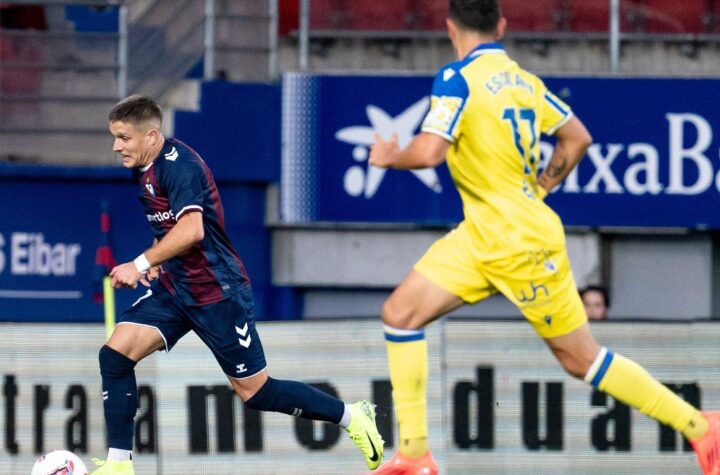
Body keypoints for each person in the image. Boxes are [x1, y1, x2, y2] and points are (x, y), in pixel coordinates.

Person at [368, 1, 719, 474]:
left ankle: (701, 427)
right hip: (482, 234)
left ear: (451, 28)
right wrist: (542, 186)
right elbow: (577, 138)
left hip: (519, 243)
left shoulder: (457, 78)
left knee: (580, 360)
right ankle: (414, 454)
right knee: (400, 314)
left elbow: (431, 152)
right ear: (503, 27)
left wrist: (391, 156)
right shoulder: (524, 82)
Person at [93, 95, 384, 474]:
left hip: (217, 292)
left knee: (256, 392)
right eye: (114, 137)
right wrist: (155, 260)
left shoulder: (179, 167)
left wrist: (141, 263)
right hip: (177, 287)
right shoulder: (144, 167)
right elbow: (172, 229)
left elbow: (193, 230)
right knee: (115, 356)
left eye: (123, 138)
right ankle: (119, 466)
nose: (117, 146)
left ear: (151, 136)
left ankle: (352, 416)